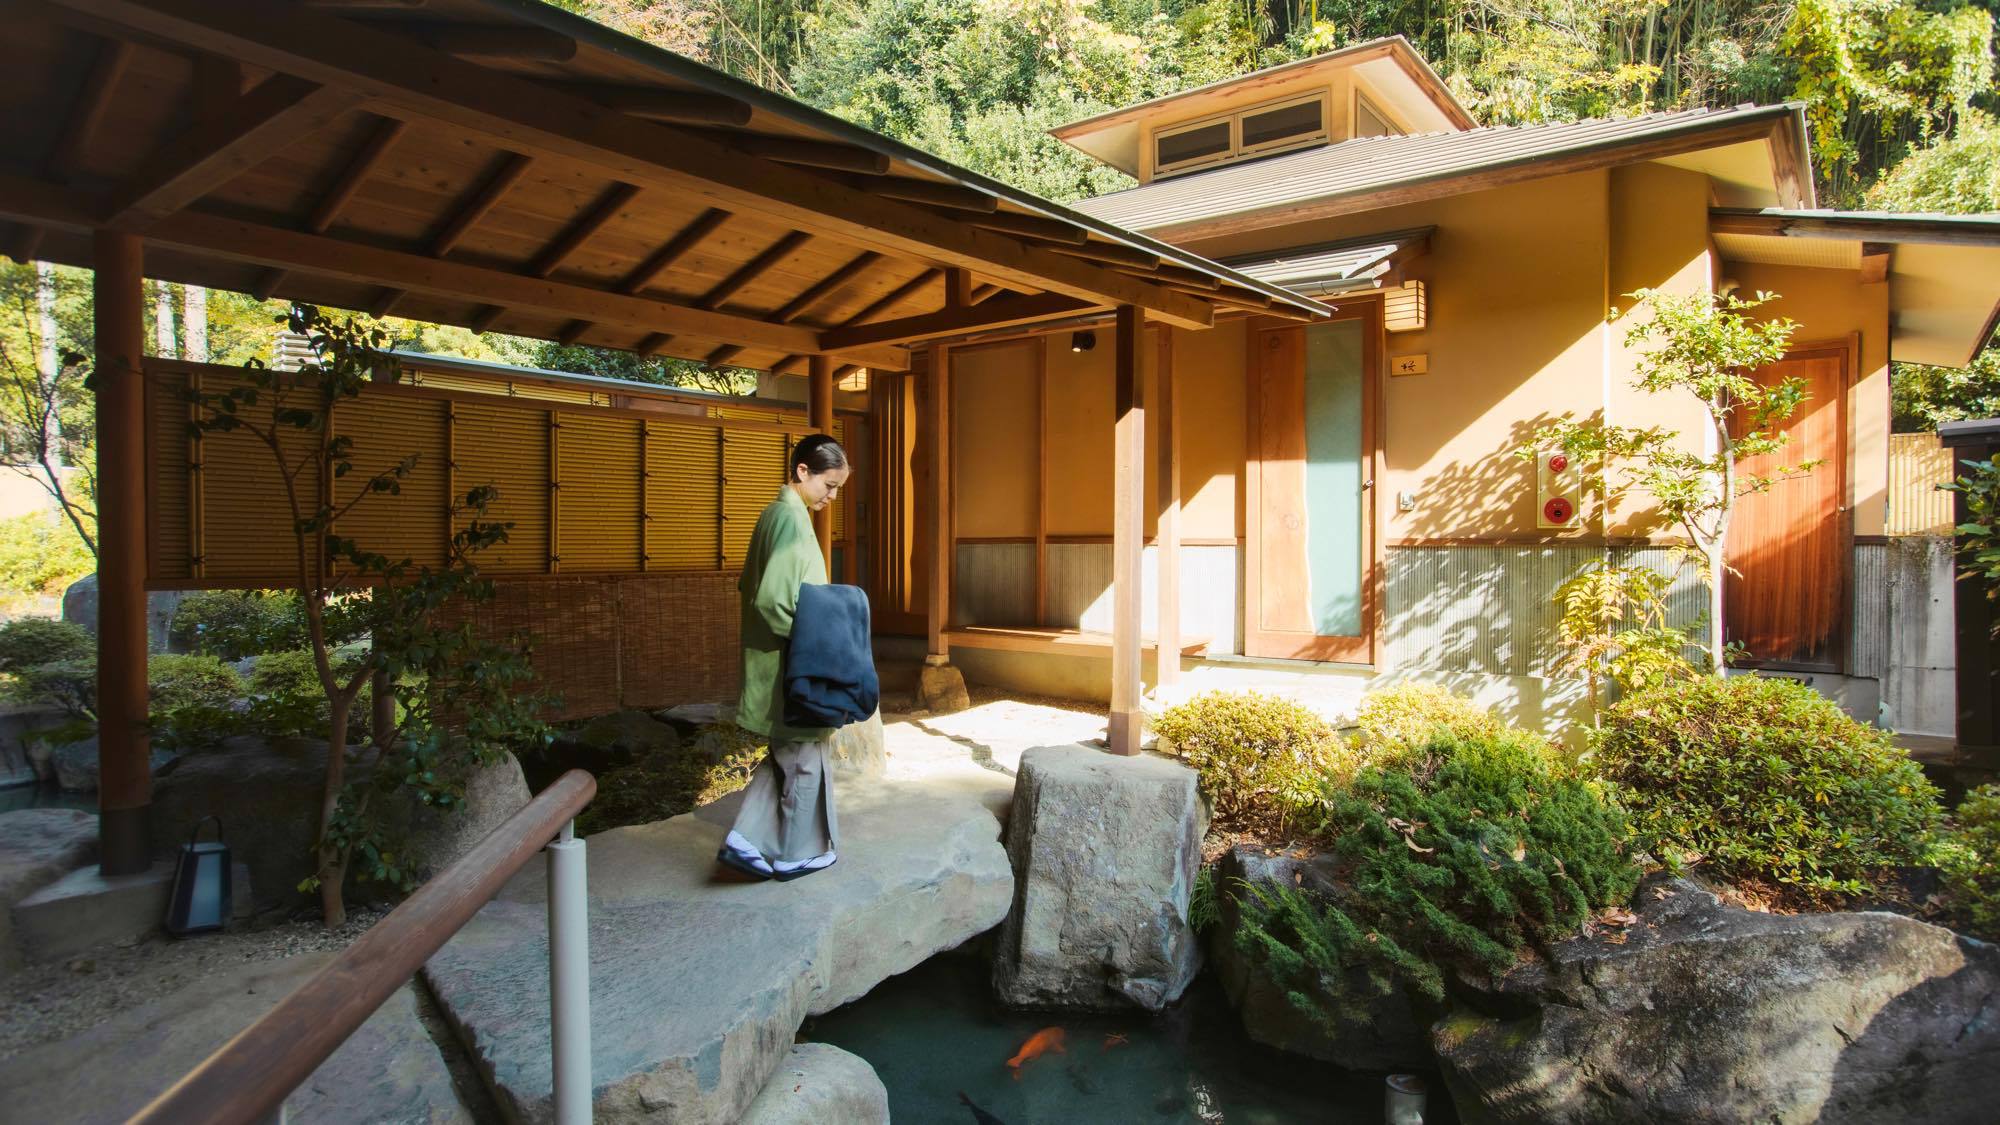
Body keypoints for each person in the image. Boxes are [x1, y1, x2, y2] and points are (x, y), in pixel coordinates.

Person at [717, 433, 852, 882]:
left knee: (790, 756)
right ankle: (794, 852)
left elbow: (751, 588)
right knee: (805, 759)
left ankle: (748, 840)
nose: (831, 497)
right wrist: (818, 648)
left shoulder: (776, 514)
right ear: (802, 472)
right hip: (790, 665)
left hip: (776, 661)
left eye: (837, 489)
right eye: (828, 485)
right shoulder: (791, 522)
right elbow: (773, 601)